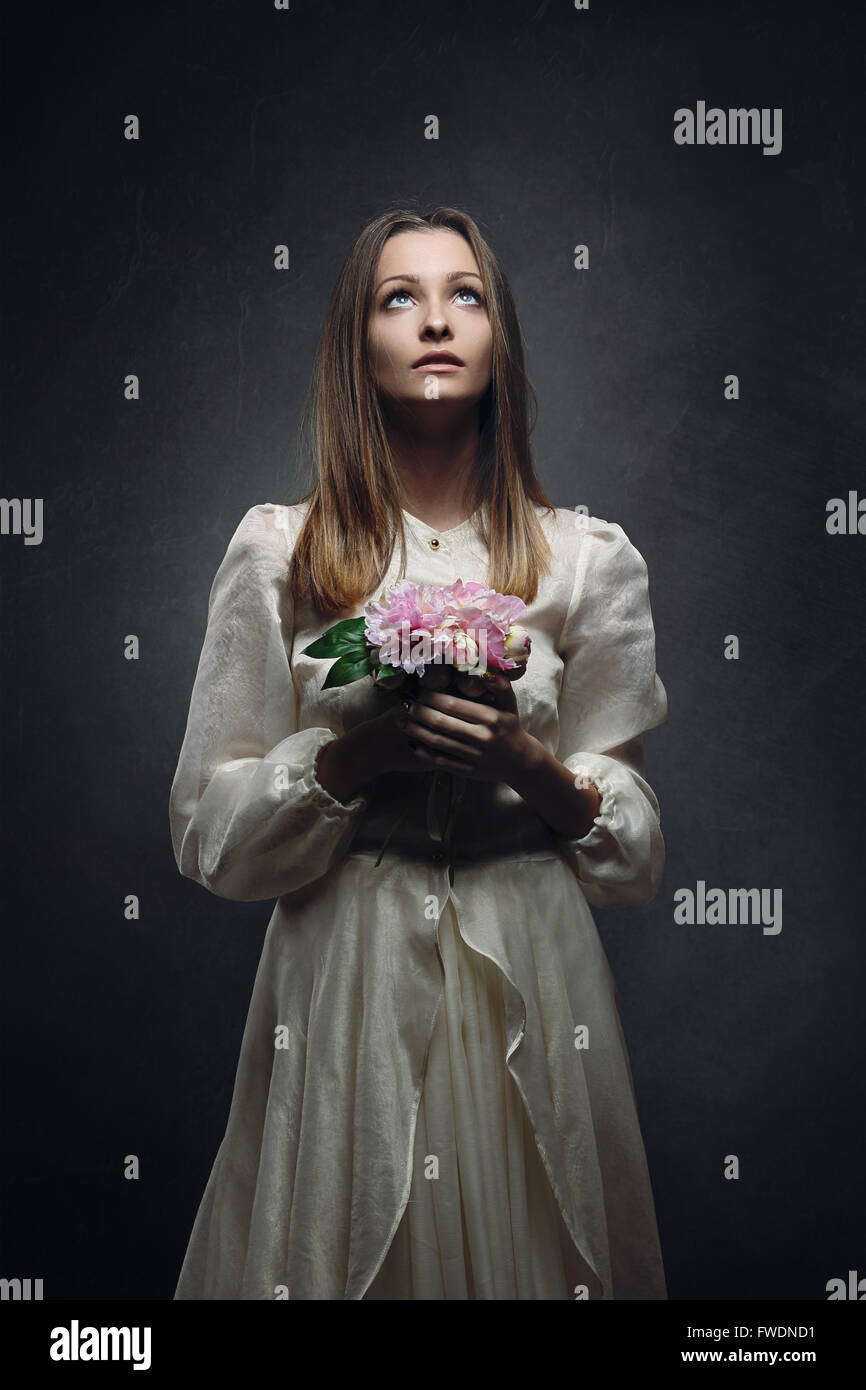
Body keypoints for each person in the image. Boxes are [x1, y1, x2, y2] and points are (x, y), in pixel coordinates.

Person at [170, 206, 669, 1300]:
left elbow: (632, 861)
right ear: (357, 343)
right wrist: (357, 758)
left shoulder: (585, 560)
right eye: (399, 297)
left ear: (500, 343)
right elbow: (209, 839)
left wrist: (527, 765)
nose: (435, 321)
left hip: (533, 966)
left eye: (466, 295)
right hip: (345, 968)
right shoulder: (279, 552)